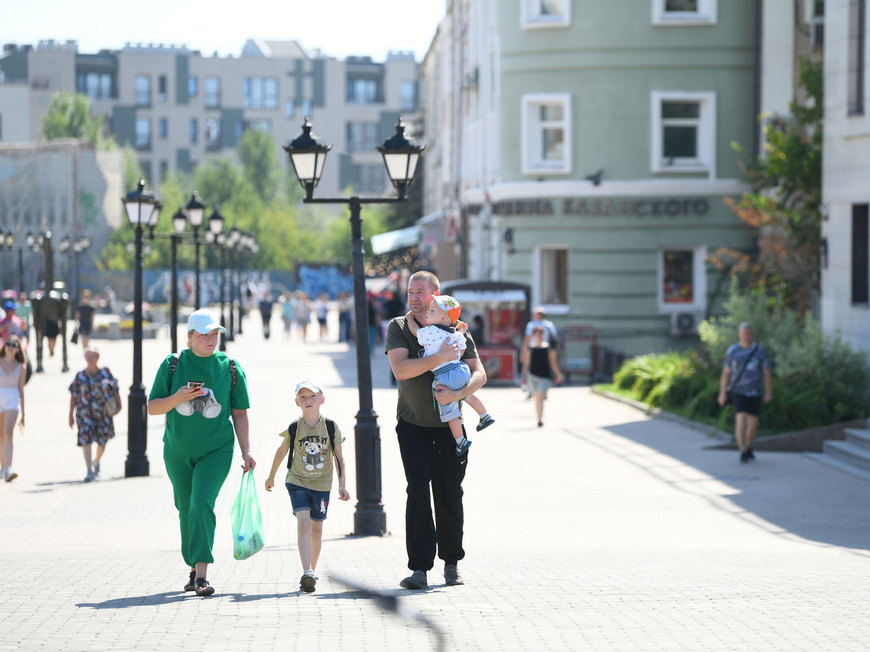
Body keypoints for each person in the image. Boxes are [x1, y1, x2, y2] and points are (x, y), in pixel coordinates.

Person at [385, 270, 487, 590]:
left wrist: (458, 394)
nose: (414, 298)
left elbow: (479, 374)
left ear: (437, 295)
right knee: (417, 493)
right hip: (412, 425)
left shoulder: (457, 331)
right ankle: (419, 569)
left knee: (449, 494)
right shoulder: (399, 328)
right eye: (411, 292)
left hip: (449, 429)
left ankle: (452, 563)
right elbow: (401, 370)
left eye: (421, 292)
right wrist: (440, 358)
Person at [147, 309, 256, 597]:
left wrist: (247, 451)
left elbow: (240, 412)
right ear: (190, 337)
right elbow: (153, 407)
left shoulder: (230, 367)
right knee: (185, 509)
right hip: (177, 451)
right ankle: (193, 565)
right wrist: (178, 398)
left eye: (215, 334)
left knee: (201, 503)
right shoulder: (172, 365)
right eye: (205, 334)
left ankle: (202, 576)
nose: (211, 339)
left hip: (216, 450)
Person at [264, 380, 350, 593]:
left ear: (322, 399)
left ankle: (312, 569)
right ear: (297, 403)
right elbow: (281, 451)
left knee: (317, 527)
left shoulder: (331, 426)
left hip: (322, 485)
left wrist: (342, 485)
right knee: (304, 523)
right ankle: (307, 573)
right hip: (297, 481)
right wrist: (271, 476)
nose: (308, 401)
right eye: (303, 398)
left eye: (312, 396)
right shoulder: (295, 427)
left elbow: (339, 457)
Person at [409, 294, 495, 454]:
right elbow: (461, 351)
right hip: (460, 369)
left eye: (432, 310)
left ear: (443, 317)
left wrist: (409, 320)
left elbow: (416, 332)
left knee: (450, 412)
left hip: (444, 375)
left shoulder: (430, 332)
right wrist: (460, 332)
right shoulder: (454, 333)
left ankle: (460, 441)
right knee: (467, 395)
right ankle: (484, 415)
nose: (428, 312)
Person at [717, 322, 773, 463]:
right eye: (744, 333)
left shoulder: (759, 351)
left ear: (752, 335)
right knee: (741, 419)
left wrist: (768, 392)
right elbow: (726, 373)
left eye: (749, 333)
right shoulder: (733, 351)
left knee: (753, 423)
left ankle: (749, 446)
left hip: (755, 392)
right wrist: (722, 393)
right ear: (739, 335)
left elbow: (766, 372)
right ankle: (742, 450)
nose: (746, 336)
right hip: (738, 392)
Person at [68, 346, 120, 482]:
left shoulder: (105, 372)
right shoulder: (80, 375)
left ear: (98, 357)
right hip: (84, 413)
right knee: (86, 440)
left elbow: (115, 389)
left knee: (102, 441)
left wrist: (119, 406)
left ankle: (96, 461)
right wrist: (70, 415)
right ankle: (89, 471)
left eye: (93, 356)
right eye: (88, 356)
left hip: (103, 414)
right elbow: (74, 395)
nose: (91, 359)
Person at [527, 325, 563, 427]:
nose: (538, 336)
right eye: (536, 334)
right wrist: (523, 377)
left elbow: (553, 362)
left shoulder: (548, 347)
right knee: (536, 398)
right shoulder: (531, 348)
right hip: (533, 376)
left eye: (540, 334)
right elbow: (527, 363)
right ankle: (538, 415)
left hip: (544, 376)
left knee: (540, 397)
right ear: (533, 335)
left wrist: (558, 374)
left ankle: (540, 419)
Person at [0, 337, 26, 482]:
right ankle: (2, 466)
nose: (10, 347)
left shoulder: (21, 367)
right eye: (8, 344)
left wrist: (24, 413)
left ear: (18, 349)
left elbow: (21, 390)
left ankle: (9, 468)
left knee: (8, 432)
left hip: (12, 397)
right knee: (0, 434)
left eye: (14, 345)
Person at [519, 306, 559, 394]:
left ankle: (536, 389)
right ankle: (530, 387)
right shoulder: (549, 325)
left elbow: (527, 340)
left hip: (540, 349)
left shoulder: (532, 325)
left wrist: (523, 352)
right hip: (538, 350)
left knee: (531, 368)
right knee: (533, 368)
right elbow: (554, 340)